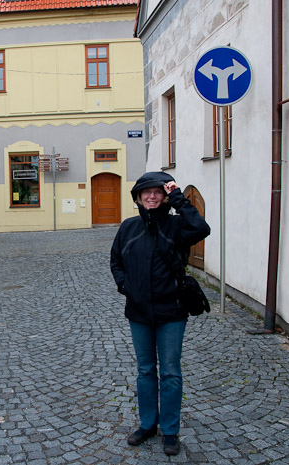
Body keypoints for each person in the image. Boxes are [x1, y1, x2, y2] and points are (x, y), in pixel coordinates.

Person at [110, 171, 210, 456]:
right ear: (138, 197)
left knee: (170, 372)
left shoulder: (178, 226)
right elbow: (115, 261)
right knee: (144, 370)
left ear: (165, 196)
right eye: (146, 192)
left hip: (172, 311)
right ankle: (147, 424)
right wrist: (125, 286)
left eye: (157, 192)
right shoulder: (128, 227)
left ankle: (170, 430)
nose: (152, 196)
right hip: (139, 311)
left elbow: (201, 228)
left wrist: (179, 196)